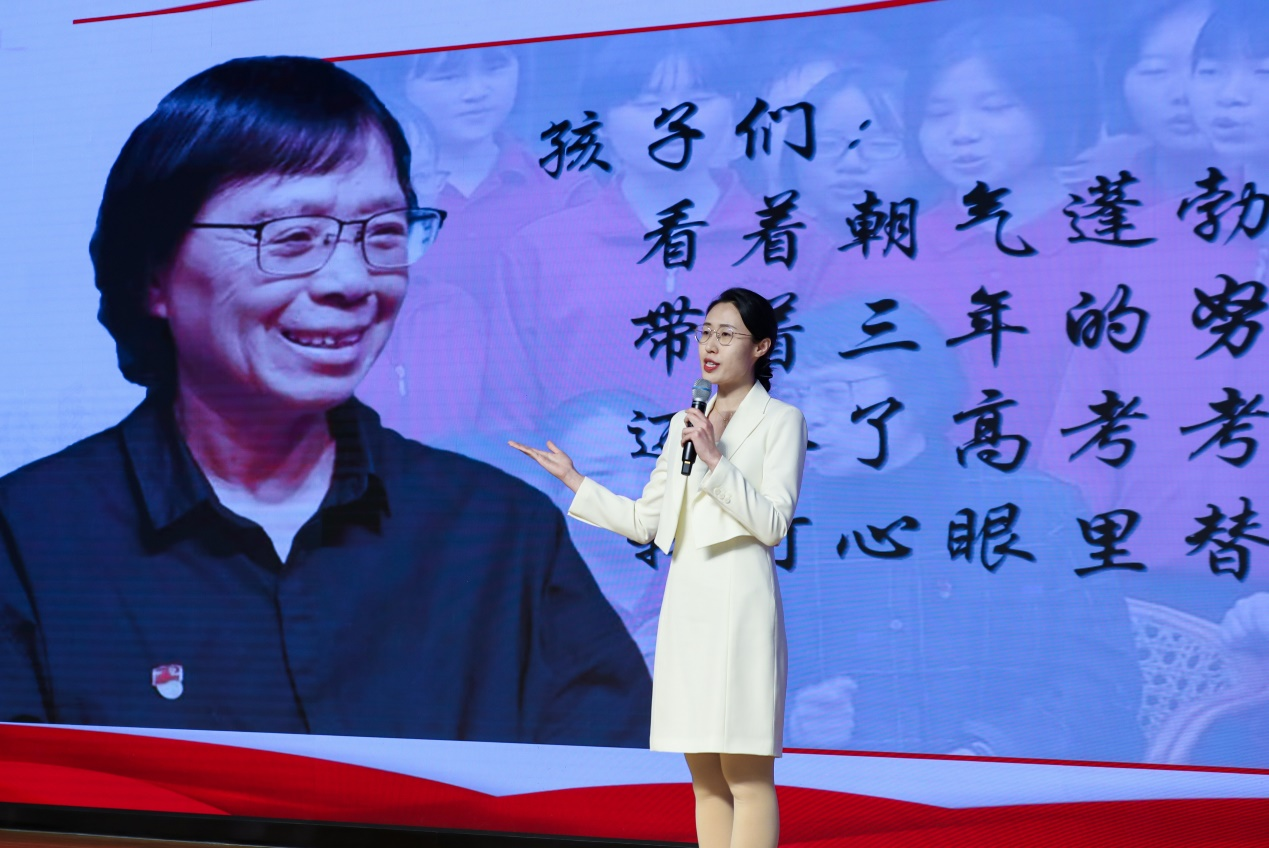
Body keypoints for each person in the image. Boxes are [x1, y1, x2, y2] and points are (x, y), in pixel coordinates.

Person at [0, 56, 651, 745]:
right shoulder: (30, 542)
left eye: (383, 233)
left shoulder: (499, 532)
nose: (352, 281)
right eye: (290, 238)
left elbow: (614, 786)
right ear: (154, 273)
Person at [776, 297, 1143, 762]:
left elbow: (1105, 684)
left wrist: (989, 752)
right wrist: (794, 722)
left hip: (1013, 787)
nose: (809, 416)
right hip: (844, 787)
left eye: (832, 392)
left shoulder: (1036, 511)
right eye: (796, 395)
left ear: (912, 390)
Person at [511, 288, 807, 848]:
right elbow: (647, 522)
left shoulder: (781, 421)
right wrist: (575, 480)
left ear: (761, 347)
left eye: (727, 335)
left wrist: (715, 460)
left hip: (740, 608)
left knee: (745, 776)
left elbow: (772, 524)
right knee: (705, 780)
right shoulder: (683, 424)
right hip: (687, 607)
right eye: (706, 333)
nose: (710, 346)